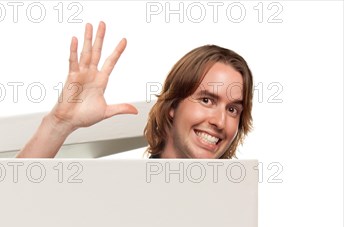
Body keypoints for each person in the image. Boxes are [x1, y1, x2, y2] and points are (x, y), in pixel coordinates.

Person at [16, 21, 253, 160]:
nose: (220, 121)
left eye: (232, 109)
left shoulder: (235, 204)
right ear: (173, 107)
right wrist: (59, 123)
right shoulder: (115, 191)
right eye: (206, 100)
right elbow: (4, 204)